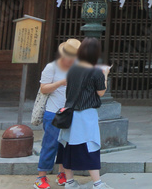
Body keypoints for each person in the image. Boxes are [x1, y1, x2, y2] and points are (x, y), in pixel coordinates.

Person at [55, 37, 112, 189]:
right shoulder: (96, 72)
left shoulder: (72, 69)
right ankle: (97, 183)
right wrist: (105, 75)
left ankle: (69, 182)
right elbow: (100, 92)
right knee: (90, 147)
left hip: (69, 113)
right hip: (86, 114)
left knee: (68, 146)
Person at [35, 38, 80, 189]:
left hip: (70, 112)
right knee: (50, 144)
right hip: (53, 112)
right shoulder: (52, 67)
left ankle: (62, 174)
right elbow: (43, 88)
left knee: (66, 145)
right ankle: (41, 177)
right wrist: (60, 83)